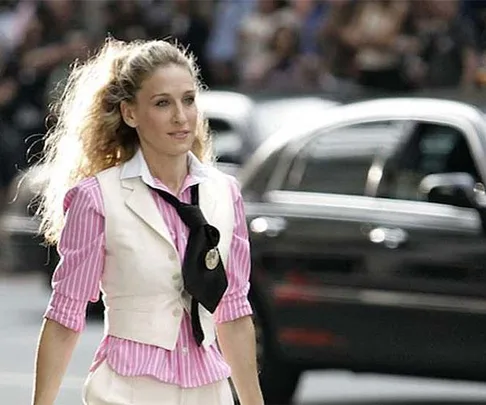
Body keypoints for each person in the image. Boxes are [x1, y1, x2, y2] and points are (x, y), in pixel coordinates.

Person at [31, 37, 264, 405]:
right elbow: (65, 314)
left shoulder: (225, 193)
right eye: (162, 103)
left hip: (210, 392)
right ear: (130, 113)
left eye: (188, 100)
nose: (180, 116)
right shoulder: (97, 198)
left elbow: (233, 311)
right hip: (126, 391)